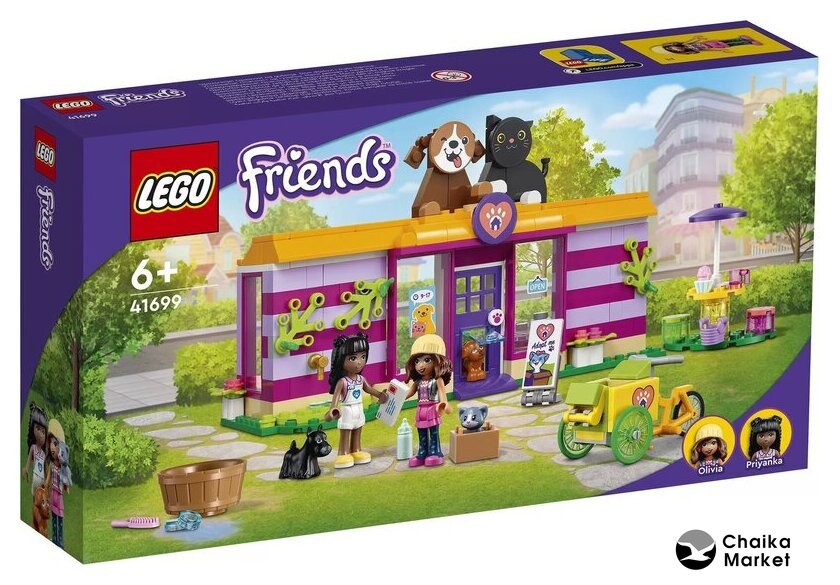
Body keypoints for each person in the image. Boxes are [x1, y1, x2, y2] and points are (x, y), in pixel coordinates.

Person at [325, 333, 387, 469]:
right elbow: (335, 400)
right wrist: (333, 409)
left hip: (359, 408)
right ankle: (343, 453)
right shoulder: (342, 382)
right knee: (346, 431)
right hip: (347, 409)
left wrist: (380, 395)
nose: (359, 362)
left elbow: (369, 389)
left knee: (358, 428)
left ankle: (356, 450)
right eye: (353, 358)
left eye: (363, 357)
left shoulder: (361, 379)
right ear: (341, 360)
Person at [404, 334, 452, 468]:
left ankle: (435, 452)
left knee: (433, 431)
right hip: (421, 410)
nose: (420, 365)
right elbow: (408, 393)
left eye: (427, 360)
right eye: (417, 361)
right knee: (421, 431)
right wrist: (395, 399)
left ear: (438, 361)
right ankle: (422, 452)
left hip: (432, 408)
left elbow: (442, 395)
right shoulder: (418, 382)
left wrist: (444, 404)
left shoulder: (437, 380)